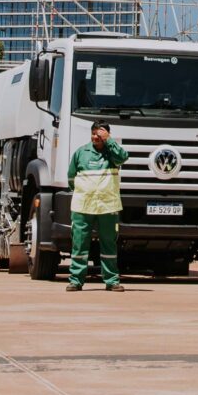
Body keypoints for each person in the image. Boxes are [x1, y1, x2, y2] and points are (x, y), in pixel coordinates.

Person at [67, 120, 126, 291]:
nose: (96, 137)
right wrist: (84, 191)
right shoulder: (81, 153)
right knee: (79, 244)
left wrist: (110, 142)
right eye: (93, 134)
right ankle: (76, 281)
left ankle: (112, 281)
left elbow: (124, 157)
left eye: (99, 135)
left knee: (109, 244)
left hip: (107, 206)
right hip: (83, 206)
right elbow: (71, 178)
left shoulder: (112, 154)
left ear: (107, 136)